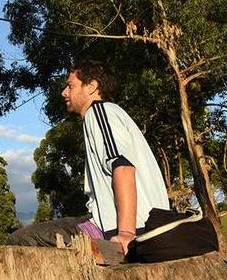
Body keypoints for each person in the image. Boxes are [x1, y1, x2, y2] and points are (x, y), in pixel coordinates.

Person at [9, 60, 169, 254]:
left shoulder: (99, 112)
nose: (64, 92)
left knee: (21, 240)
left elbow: (123, 166)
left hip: (129, 228)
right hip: (125, 224)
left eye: (70, 85)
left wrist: (127, 232)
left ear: (92, 87)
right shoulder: (110, 115)